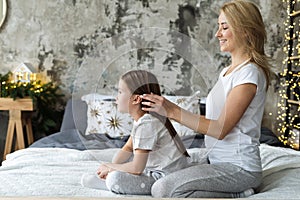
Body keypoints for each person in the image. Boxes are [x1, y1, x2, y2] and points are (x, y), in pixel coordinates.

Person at [141, 0, 271, 198]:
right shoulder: (227, 72)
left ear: (245, 30)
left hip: (240, 168)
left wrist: (172, 111)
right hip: (215, 160)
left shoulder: (249, 74)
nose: (218, 34)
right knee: (163, 170)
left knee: (163, 189)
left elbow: (220, 129)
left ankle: (239, 194)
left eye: (224, 27)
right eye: (218, 27)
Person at [81, 70, 189, 195]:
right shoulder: (142, 121)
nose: (117, 97)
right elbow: (127, 148)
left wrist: (111, 168)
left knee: (115, 178)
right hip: (155, 171)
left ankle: (110, 184)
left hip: (165, 177)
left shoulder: (147, 124)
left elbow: (137, 168)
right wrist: (111, 166)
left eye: (120, 92)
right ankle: (109, 180)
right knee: (118, 169)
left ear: (136, 99)